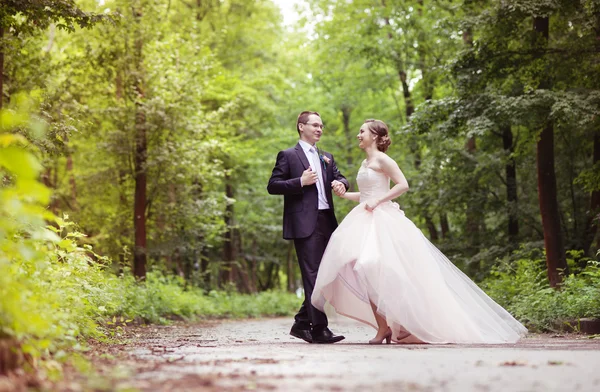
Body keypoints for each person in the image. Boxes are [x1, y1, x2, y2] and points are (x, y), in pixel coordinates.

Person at [311, 119, 527, 344]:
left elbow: (402, 185)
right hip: (364, 218)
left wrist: (378, 200)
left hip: (383, 220)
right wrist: (346, 196)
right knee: (362, 271)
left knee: (376, 267)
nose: (358, 135)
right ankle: (383, 327)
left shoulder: (384, 159)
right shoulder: (365, 162)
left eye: (362, 131)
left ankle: (405, 322)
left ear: (374, 136)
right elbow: (366, 194)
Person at [267, 111, 350, 344]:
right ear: (301, 127)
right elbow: (273, 186)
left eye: (322, 125)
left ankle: (302, 322)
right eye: (315, 125)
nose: (320, 129)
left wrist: (340, 183)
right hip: (304, 223)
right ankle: (319, 329)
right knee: (314, 275)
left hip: (327, 221)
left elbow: (342, 177)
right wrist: (299, 182)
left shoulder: (327, 157)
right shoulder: (288, 156)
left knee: (330, 274)